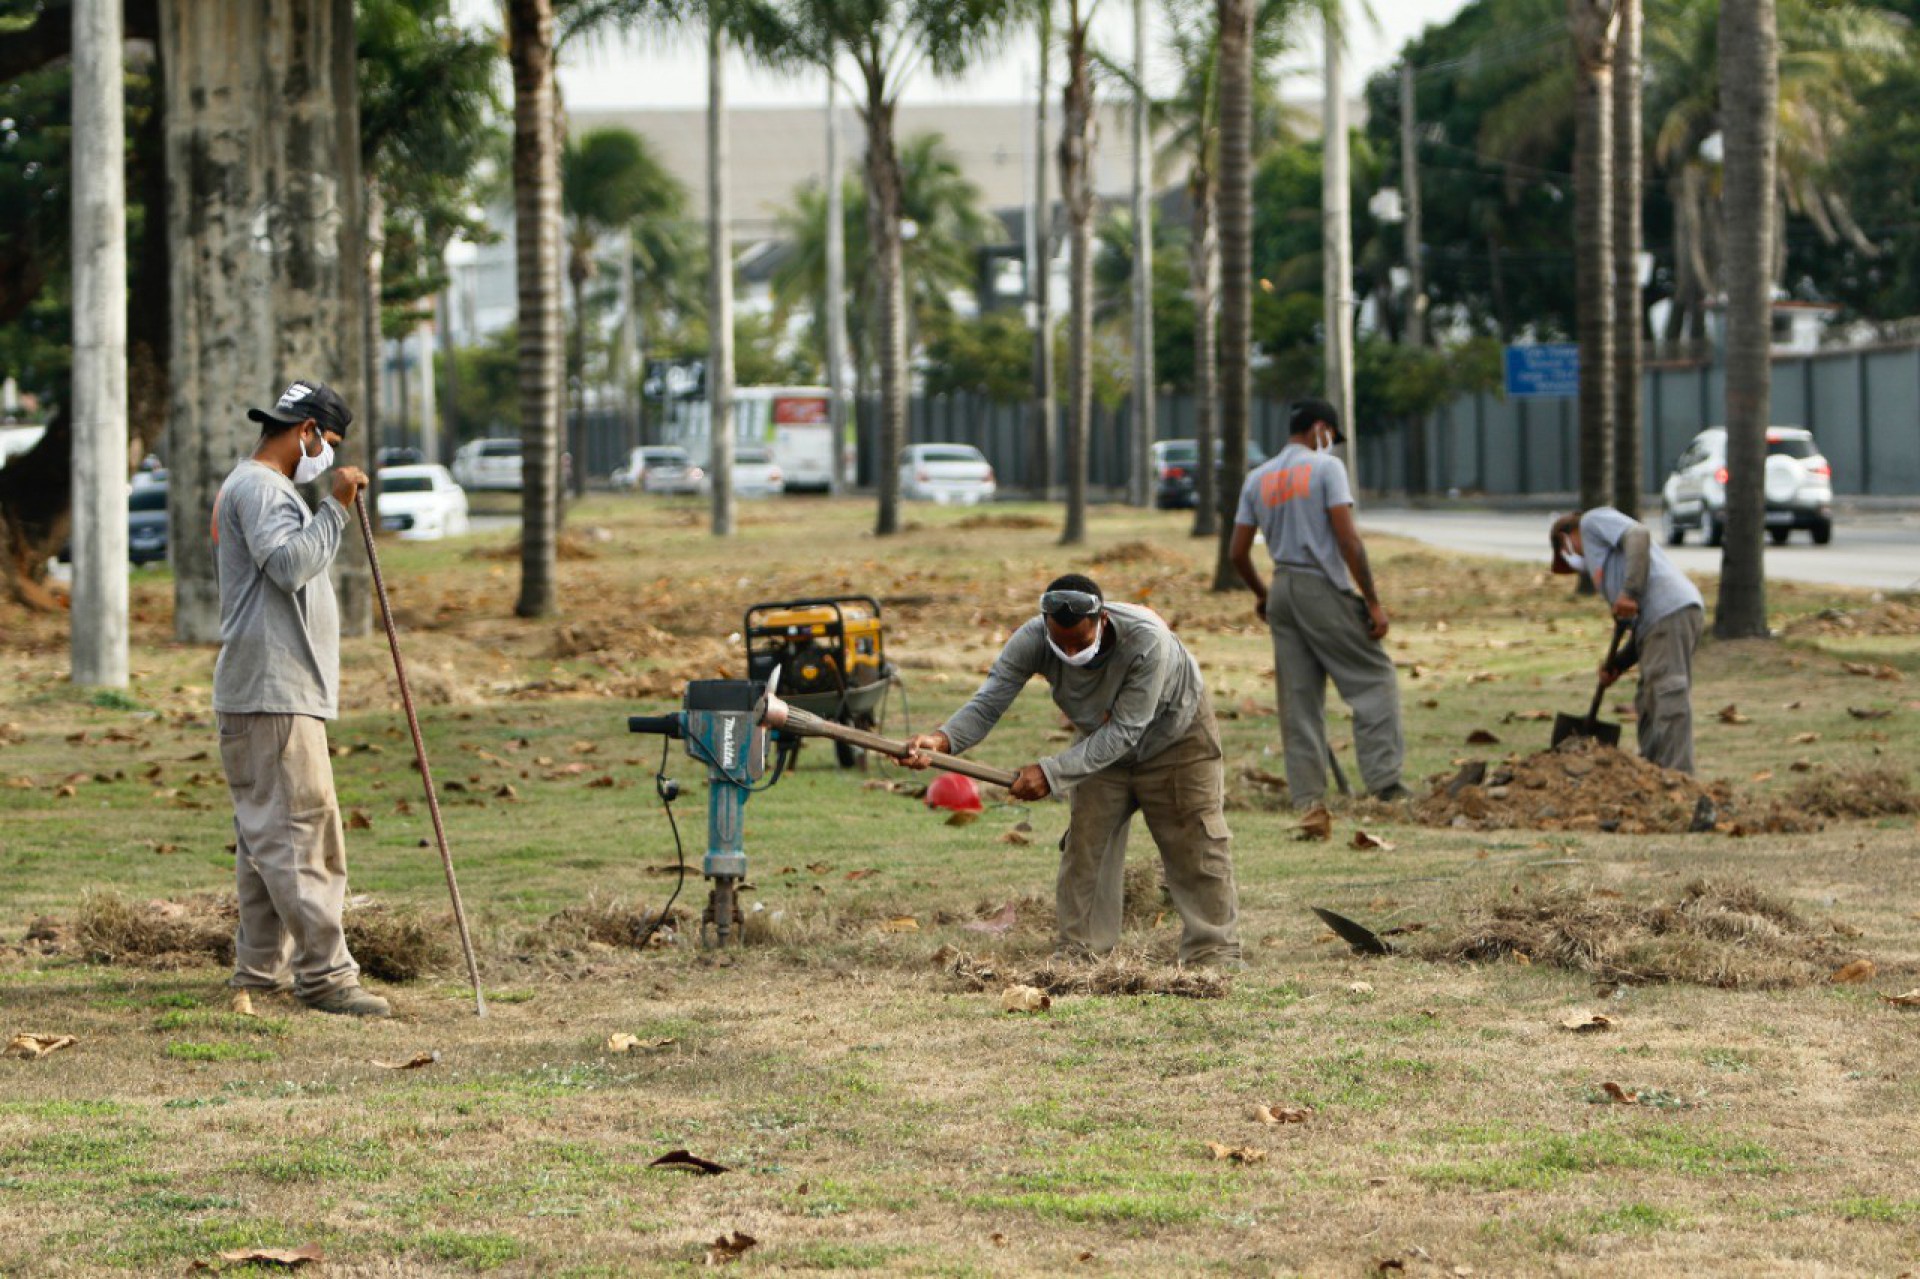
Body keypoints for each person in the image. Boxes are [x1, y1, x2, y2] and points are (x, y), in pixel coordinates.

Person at [902, 575, 1241, 968]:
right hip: (1098, 741)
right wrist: (941, 742)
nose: (1069, 651)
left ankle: (1212, 954)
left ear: (1102, 620)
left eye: (1080, 643)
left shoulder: (1147, 639)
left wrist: (1050, 773)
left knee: (1196, 843)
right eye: (1060, 643)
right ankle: (1081, 954)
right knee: (1086, 846)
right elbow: (989, 700)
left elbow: (1126, 730)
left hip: (1177, 740)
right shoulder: (1032, 638)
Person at [212, 380, 389, 1017]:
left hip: (268, 690)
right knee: (302, 835)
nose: (329, 456)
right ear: (306, 431)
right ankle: (326, 977)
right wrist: (337, 506)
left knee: (267, 843)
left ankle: (260, 972)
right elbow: (288, 566)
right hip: (273, 692)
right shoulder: (262, 488)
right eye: (329, 442)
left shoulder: (262, 487)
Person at [1228, 398, 1407, 805]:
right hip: (1320, 585)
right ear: (1320, 429)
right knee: (1374, 679)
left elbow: (1237, 552)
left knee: (1298, 698)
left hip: (1283, 589)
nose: (1333, 444)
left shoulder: (1258, 478)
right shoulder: (1327, 468)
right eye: (1332, 436)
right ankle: (1385, 784)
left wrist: (1263, 594)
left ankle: (1307, 795)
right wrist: (1373, 601)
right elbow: (1347, 539)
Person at [1550, 508, 1706, 773]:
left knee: (1667, 693)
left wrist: (1630, 591)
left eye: (1567, 553)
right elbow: (1637, 628)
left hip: (1669, 609)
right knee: (1648, 700)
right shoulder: (1607, 567)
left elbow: (1638, 534)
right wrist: (1618, 664)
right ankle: (1653, 773)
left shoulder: (1591, 522)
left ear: (1566, 538)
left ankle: (1678, 778)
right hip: (1655, 622)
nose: (1575, 560)